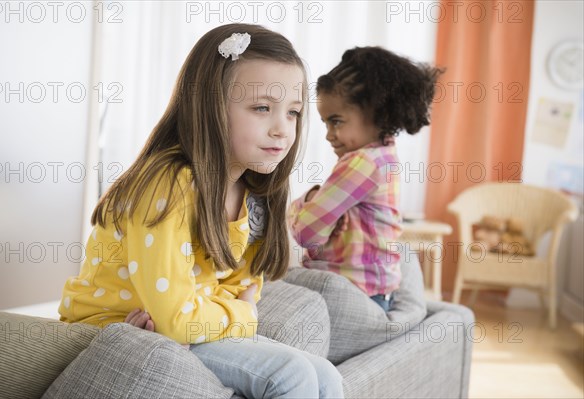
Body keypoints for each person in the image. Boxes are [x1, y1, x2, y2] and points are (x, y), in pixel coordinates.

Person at [58, 23, 343, 399]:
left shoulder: (254, 192)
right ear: (209, 105)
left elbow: (239, 289)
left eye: (292, 112)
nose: (282, 130)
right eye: (262, 108)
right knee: (290, 375)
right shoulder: (168, 183)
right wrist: (240, 318)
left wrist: (207, 318)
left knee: (324, 375)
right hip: (108, 326)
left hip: (181, 324)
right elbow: (180, 317)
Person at [288, 46, 443, 312]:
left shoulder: (361, 163)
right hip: (376, 294)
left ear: (376, 112)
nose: (328, 134)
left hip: (353, 297)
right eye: (325, 123)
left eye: (336, 121)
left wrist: (304, 202)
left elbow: (306, 233)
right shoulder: (385, 154)